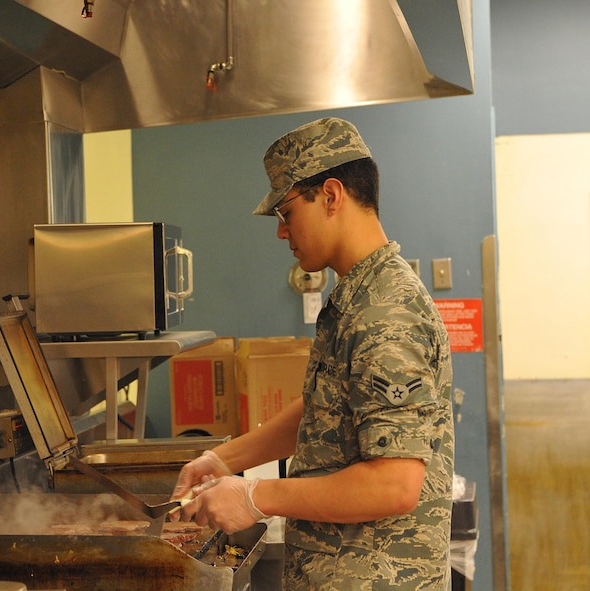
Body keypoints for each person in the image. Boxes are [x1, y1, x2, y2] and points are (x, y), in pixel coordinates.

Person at [172, 117, 455, 590]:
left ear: (330, 195)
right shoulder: (358, 297)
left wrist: (255, 495)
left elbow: (394, 483)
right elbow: (326, 409)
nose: (282, 233)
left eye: (285, 212)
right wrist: (223, 459)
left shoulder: (385, 312)